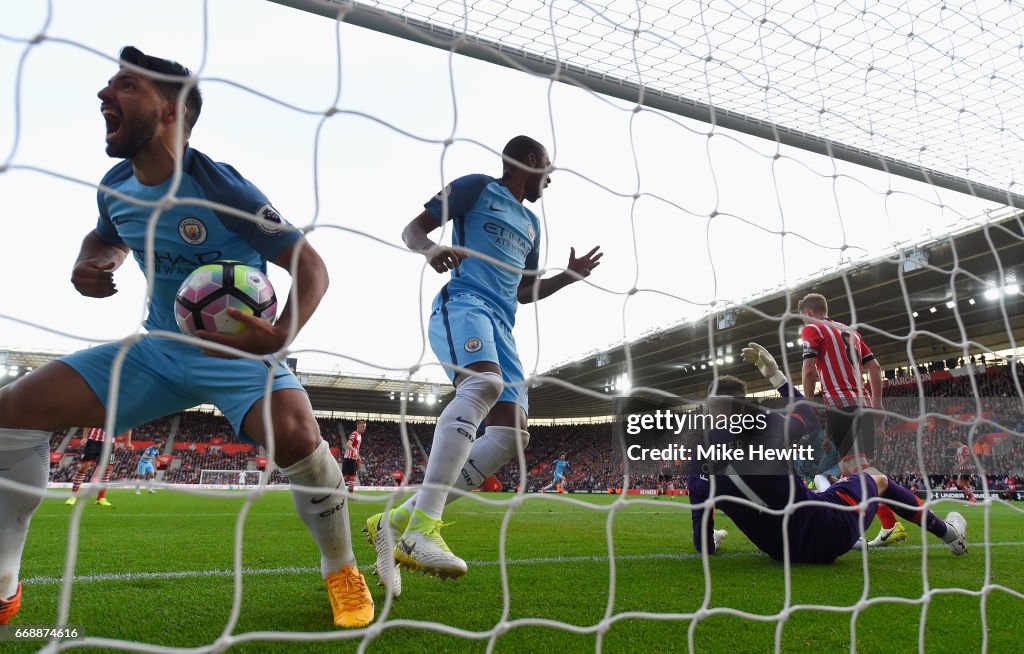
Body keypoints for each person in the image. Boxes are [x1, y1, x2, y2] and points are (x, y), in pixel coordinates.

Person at [0, 46, 371, 627]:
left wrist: (277, 337)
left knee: (299, 437)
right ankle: (3, 584)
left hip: (238, 354)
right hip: (156, 348)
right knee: (13, 412)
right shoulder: (115, 185)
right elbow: (106, 236)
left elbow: (312, 266)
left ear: (170, 109)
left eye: (124, 86)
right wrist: (92, 263)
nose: (103, 96)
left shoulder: (222, 188)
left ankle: (341, 568)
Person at [363, 135, 602, 590]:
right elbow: (413, 230)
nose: (548, 179)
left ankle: (394, 521)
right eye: (546, 168)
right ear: (529, 161)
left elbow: (523, 292)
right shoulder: (476, 187)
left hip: (504, 324)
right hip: (465, 303)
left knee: (512, 434)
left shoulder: (531, 224)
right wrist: (430, 249)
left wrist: (568, 277)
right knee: (483, 386)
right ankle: (421, 531)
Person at [687, 343, 967, 563]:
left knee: (823, 487)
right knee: (874, 476)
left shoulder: (698, 463)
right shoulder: (763, 425)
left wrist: (715, 538)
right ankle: (950, 534)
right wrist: (777, 377)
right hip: (830, 532)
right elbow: (808, 417)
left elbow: (703, 547)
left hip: (782, 554)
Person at [798, 292, 907, 547]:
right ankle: (869, 525)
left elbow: (809, 369)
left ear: (808, 313)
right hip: (864, 404)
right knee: (849, 469)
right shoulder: (850, 332)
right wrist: (877, 404)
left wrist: (808, 402)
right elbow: (875, 368)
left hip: (841, 404)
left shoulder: (813, 328)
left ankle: (895, 522)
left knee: (859, 469)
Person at [65, 427, 133, 507]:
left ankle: (101, 498)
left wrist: (128, 442)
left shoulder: (120, 414)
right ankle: (73, 495)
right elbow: (89, 422)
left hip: (110, 444)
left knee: (107, 470)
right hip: (93, 441)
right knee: (85, 466)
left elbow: (128, 426)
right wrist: (84, 437)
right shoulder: (99, 413)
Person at [342, 420, 365, 493]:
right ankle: (350, 494)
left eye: (365, 427)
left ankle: (340, 492)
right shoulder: (354, 434)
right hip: (350, 458)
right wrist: (354, 451)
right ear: (358, 426)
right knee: (351, 477)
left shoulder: (359, 435)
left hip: (352, 458)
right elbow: (348, 444)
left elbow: (356, 447)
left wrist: (358, 456)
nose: (364, 428)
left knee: (347, 477)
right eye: (363, 426)